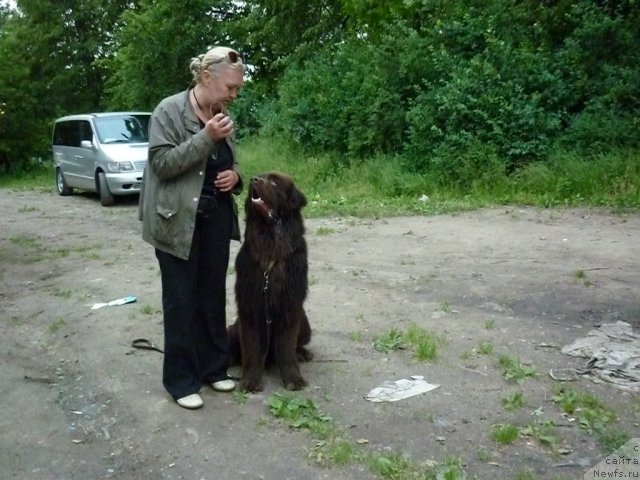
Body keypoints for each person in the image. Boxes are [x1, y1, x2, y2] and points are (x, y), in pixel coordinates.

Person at [140, 46, 245, 409]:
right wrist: (206, 138)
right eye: (230, 87)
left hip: (215, 219)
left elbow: (227, 163)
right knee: (181, 301)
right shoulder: (168, 111)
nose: (233, 95)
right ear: (206, 77)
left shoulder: (221, 114)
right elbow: (162, 164)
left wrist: (236, 177)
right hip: (176, 221)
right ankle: (182, 381)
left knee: (211, 296)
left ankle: (215, 369)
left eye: (236, 90)